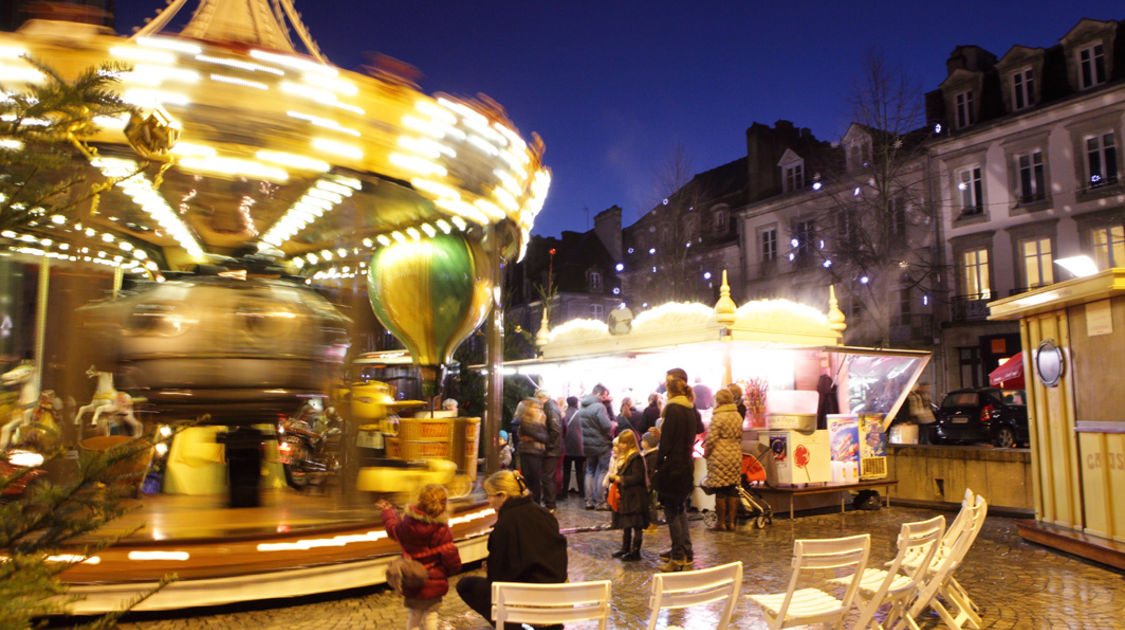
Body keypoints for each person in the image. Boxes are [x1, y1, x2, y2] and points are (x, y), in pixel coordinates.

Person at [456, 470, 567, 630]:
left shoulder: (505, 524)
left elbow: (497, 578)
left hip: (524, 599)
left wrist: (491, 567)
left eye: (490, 495)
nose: (488, 500)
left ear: (503, 496)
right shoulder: (545, 515)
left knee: (466, 586)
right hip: (555, 596)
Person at [376, 485, 462, 630]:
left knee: (414, 614)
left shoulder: (408, 524)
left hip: (412, 578)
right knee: (431, 615)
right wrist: (453, 569)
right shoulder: (442, 529)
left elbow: (392, 529)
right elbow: (450, 555)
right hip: (434, 580)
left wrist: (388, 512)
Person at [655, 367, 702, 571]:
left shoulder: (673, 409)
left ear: (670, 391)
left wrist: (657, 467)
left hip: (672, 467)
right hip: (686, 464)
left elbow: (666, 444)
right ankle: (686, 551)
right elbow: (697, 430)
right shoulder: (690, 408)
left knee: (672, 513)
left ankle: (678, 557)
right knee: (680, 510)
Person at [703, 388, 743, 531]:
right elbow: (740, 436)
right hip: (735, 453)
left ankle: (721, 522)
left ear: (719, 400)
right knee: (733, 488)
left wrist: (706, 451)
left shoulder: (718, 416)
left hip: (719, 455)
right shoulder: (737, 415)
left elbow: (712, 438)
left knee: (720, 489)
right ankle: (731, 522)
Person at [608, 429, 650, 561]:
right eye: (620, 442)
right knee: (626, 524)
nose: (621, 445)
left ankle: (635, 552)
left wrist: (621, 479)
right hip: (628, 497)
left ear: (630, 443)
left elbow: (638, 477)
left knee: (636, 525)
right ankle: (625, 548)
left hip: (635, 497)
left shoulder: (636, 458)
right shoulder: (626, 457)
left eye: (624, 443)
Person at [577, 384, 613, 510]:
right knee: (602, 471)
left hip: (587, 444)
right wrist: (613, 424)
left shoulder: (582, 406)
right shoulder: (599, 407)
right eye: (604, 396)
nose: (605, 398)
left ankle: (588, 501)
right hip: (601, 444)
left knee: (589, 471)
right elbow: (606, 426)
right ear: (599, 394)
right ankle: (600, 502)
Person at [513, 397, 549, 505]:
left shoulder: (541, 419)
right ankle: (529, 502)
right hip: (528, 451)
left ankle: (534, 502)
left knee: (535, 479)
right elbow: (538, 435)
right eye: (535, 407)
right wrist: (537, 436)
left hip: (537, 451)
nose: (538, 410)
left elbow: (545, 437)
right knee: (529, 478)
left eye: (540, 408)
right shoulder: (526, 419)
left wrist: (535, 437)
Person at [536, 389, 563, 512]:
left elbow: (555, 429)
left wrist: (548, 445)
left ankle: (550, 505)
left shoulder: (549, 407)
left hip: (552, 450)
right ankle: (550, 504)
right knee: (548, 477)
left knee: (547, 477)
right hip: (554, 448)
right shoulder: (552, 406)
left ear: (541, 397)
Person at [561, 396, 585, 500]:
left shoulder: (563, 414)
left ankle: (564, 492)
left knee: (566, 470)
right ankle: (582, 492)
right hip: (579, 447)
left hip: (566, 447)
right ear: (576, 403)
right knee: (580, 470)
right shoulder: (581, 414)